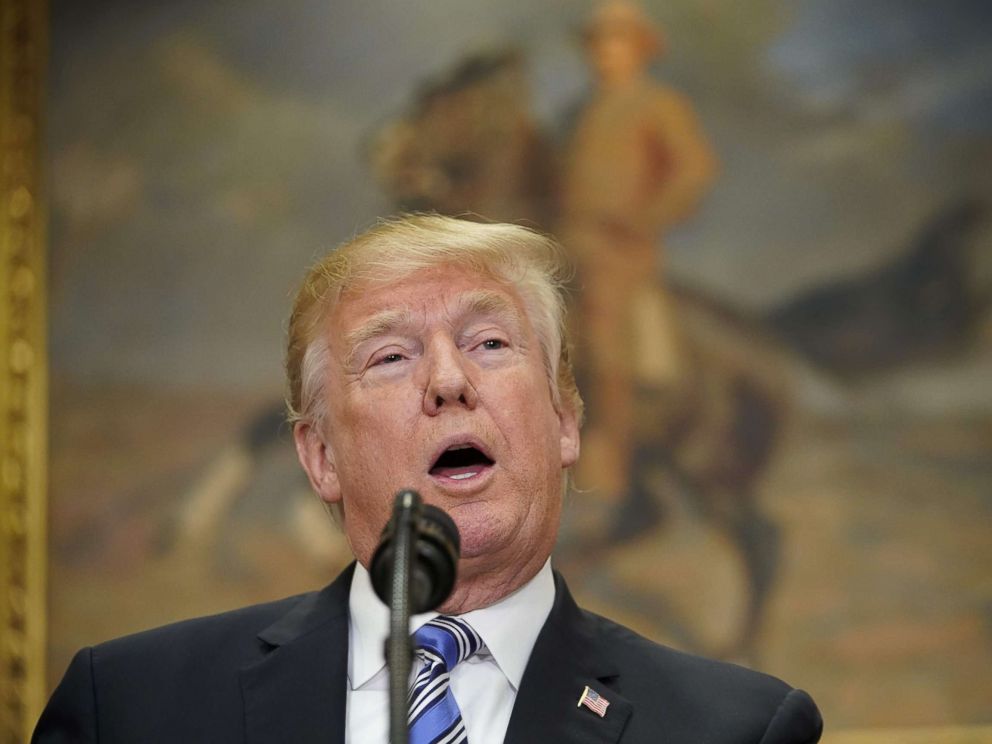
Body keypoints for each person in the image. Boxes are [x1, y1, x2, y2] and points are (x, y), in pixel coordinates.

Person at [34, 215, 821, 743]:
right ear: (319, 457)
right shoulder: (130, 708)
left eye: (488, 343)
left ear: (565, 422)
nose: (447, 381)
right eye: (391, 356)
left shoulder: (738, 731)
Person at [562, 0, 717, 506]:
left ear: (640, 50)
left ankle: (609, 455)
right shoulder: (583, 111)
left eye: (617, 42)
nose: (605, 53)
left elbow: (694, 169)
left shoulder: (659, 104)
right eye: (599, 43)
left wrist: (645, 218)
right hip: (569, 241)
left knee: (606, 336)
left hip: (620, 252)